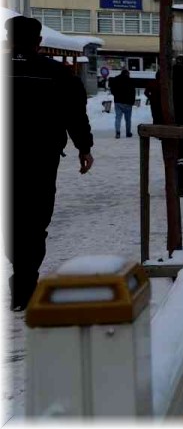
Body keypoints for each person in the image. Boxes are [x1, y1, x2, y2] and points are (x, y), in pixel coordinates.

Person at [3, 16, 94, 311]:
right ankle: (26, 280)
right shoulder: (57, 73)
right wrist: (84, 147)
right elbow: (75, 113)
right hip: (41, 159)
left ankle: (21, 274)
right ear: (39, 41)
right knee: (36, 220)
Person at [146, 60, 183, 196]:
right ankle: (180, 185)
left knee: (170, 158)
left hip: (166, 129)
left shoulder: (164, 90)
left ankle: (172, 184)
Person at [108, 68, 135, 138]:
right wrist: (132, 101)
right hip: (128, 102)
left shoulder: (116, 79)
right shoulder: (130, 81)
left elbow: (112, 88)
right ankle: (128, 132)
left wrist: (116, 95)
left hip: (118, 102)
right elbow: (133, 92)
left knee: (118, 118)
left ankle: (118, 132)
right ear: (127, 74)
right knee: (128, 119)